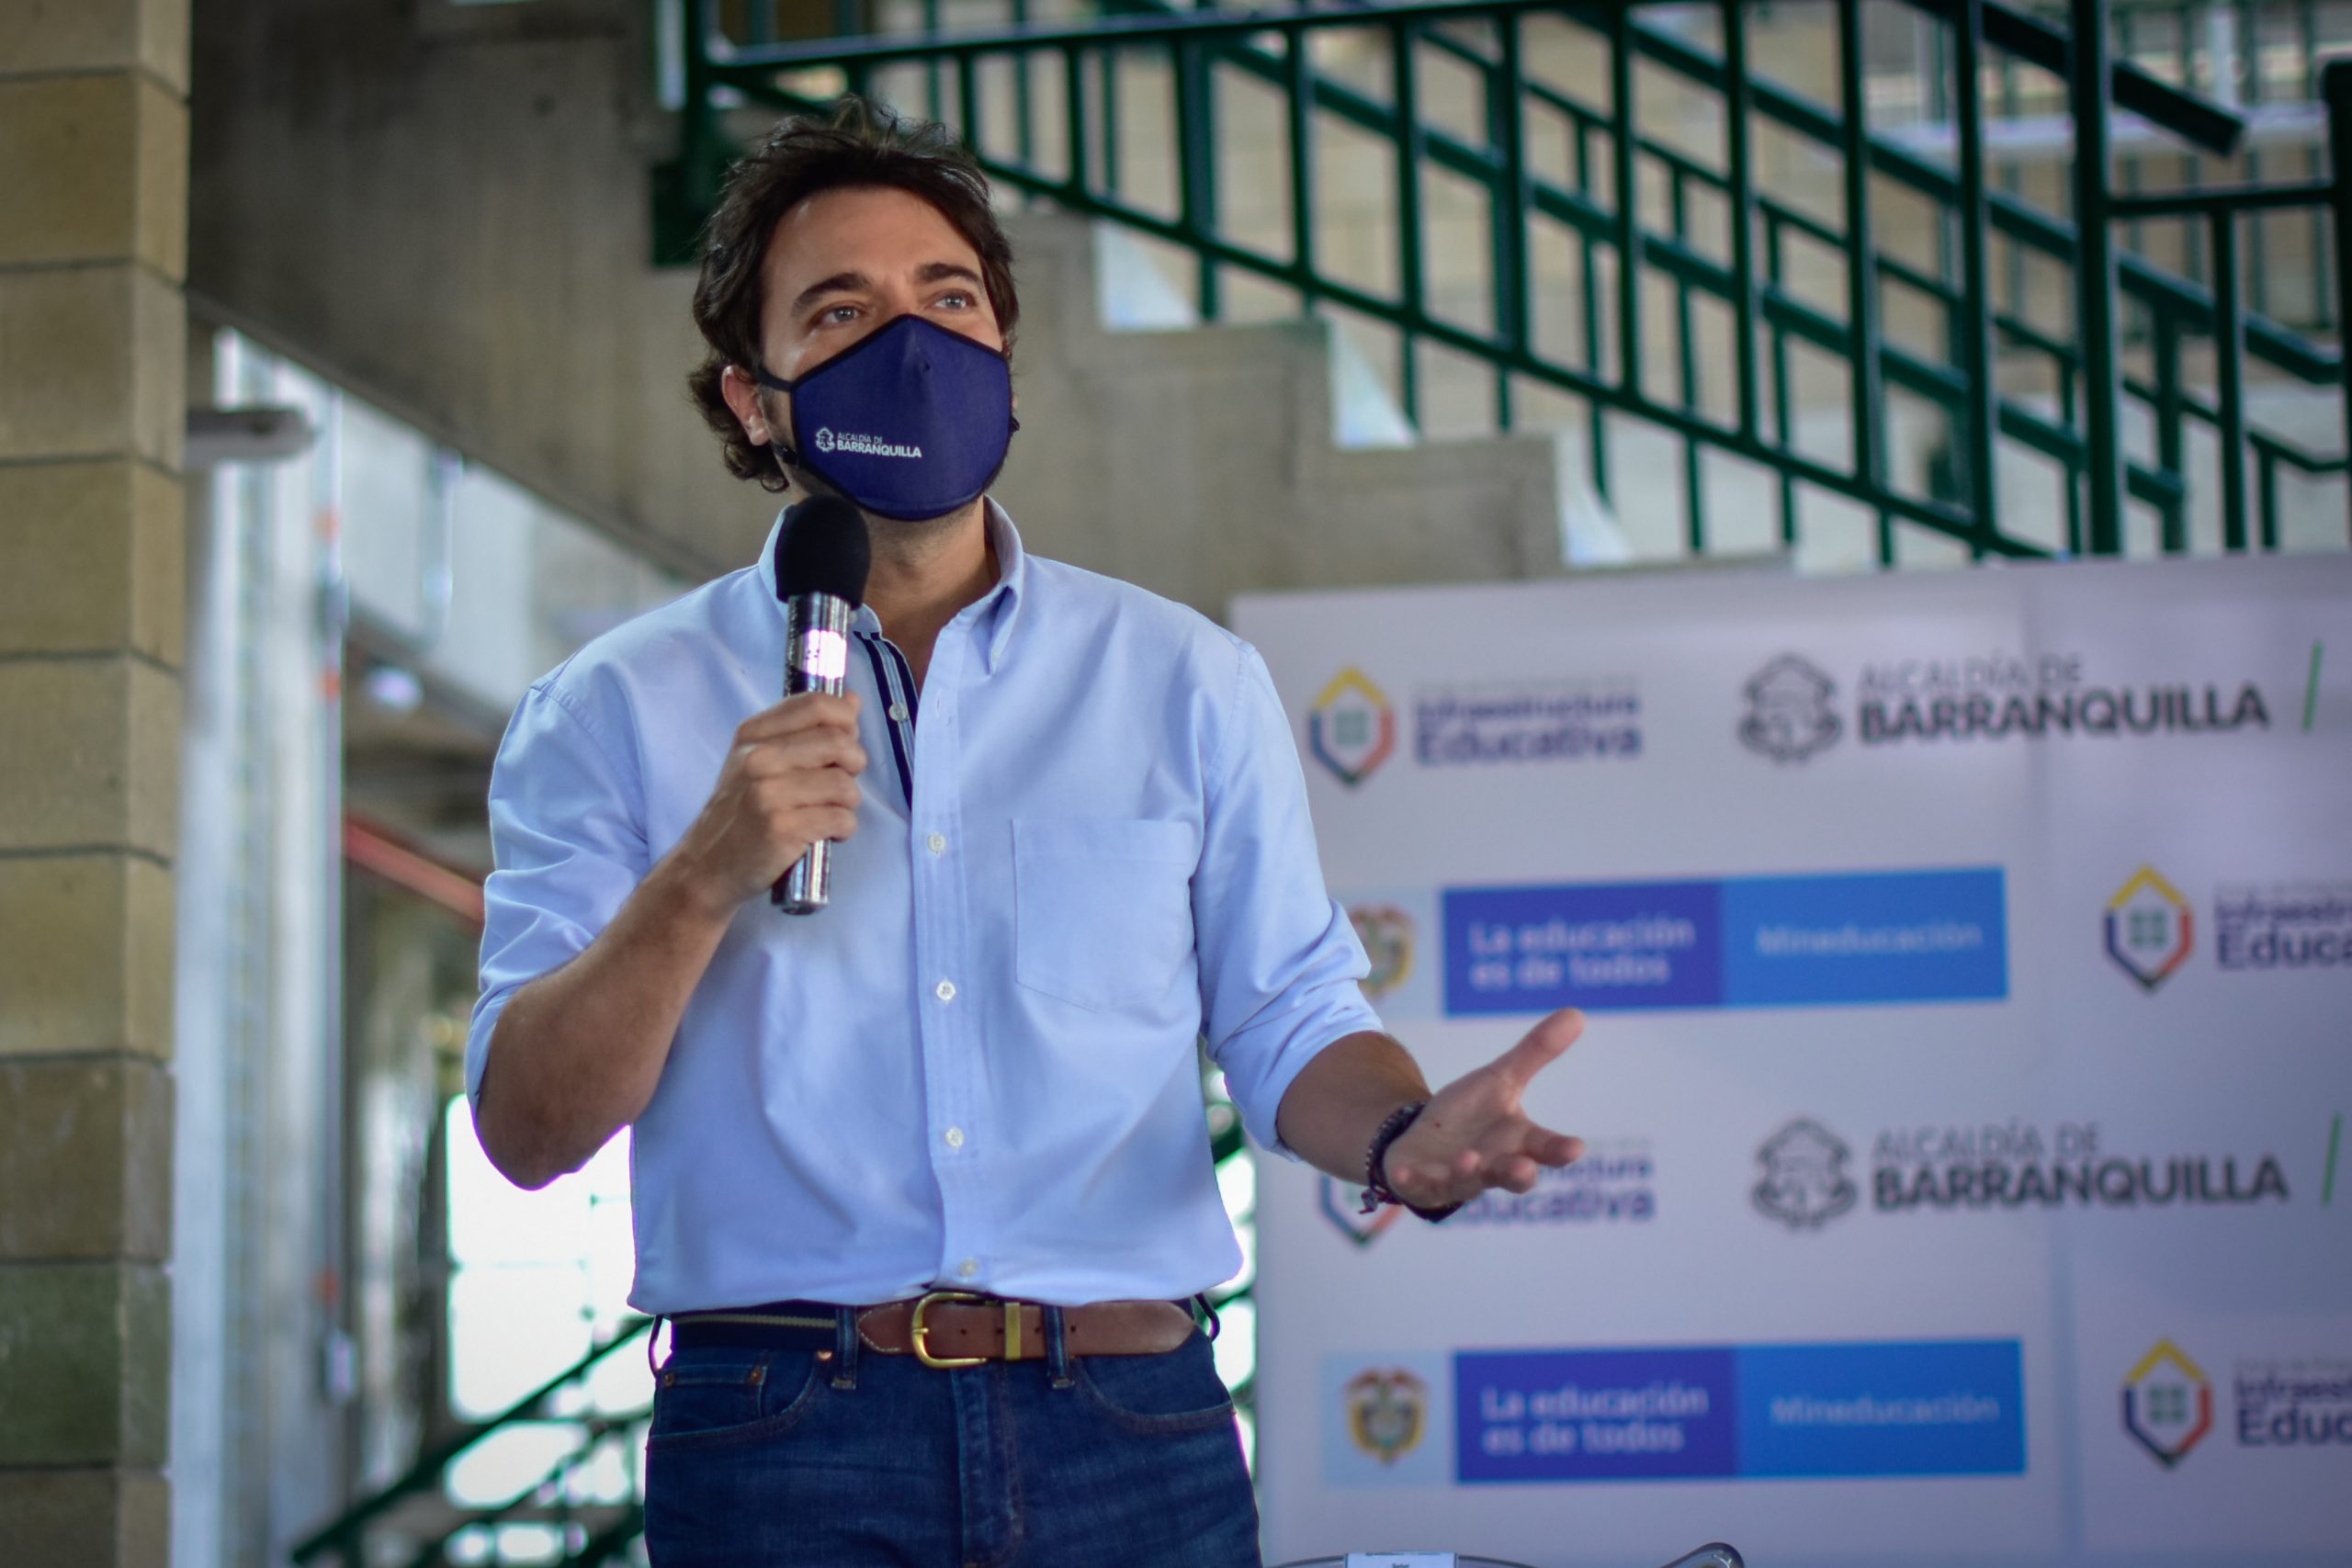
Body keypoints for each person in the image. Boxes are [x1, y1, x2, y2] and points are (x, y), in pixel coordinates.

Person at [465, 97, 1587, 1566]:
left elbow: (1291, 1010)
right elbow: (529, 1128)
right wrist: (699, 878)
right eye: (844, 311)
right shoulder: (607, 708)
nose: (914, 346)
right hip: (785, 1435)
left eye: (950, 299)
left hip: (1128, 1423)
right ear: (754, 397)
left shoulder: (1182, 680)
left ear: (1004, 350)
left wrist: (1397, 1139)